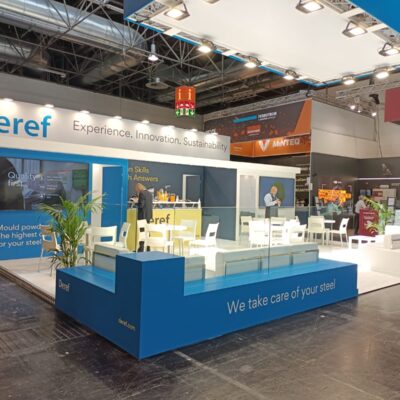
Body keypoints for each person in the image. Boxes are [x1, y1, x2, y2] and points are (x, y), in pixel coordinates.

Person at [135, 183, 153, 252]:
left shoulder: (142, 193)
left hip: (142, 216)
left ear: (138, 188)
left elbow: (141, 205)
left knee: (142, 232)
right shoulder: (149, 193)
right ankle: (148, 247)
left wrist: (136, 202)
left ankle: (141, 248)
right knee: (148, 232)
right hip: (148, 216)